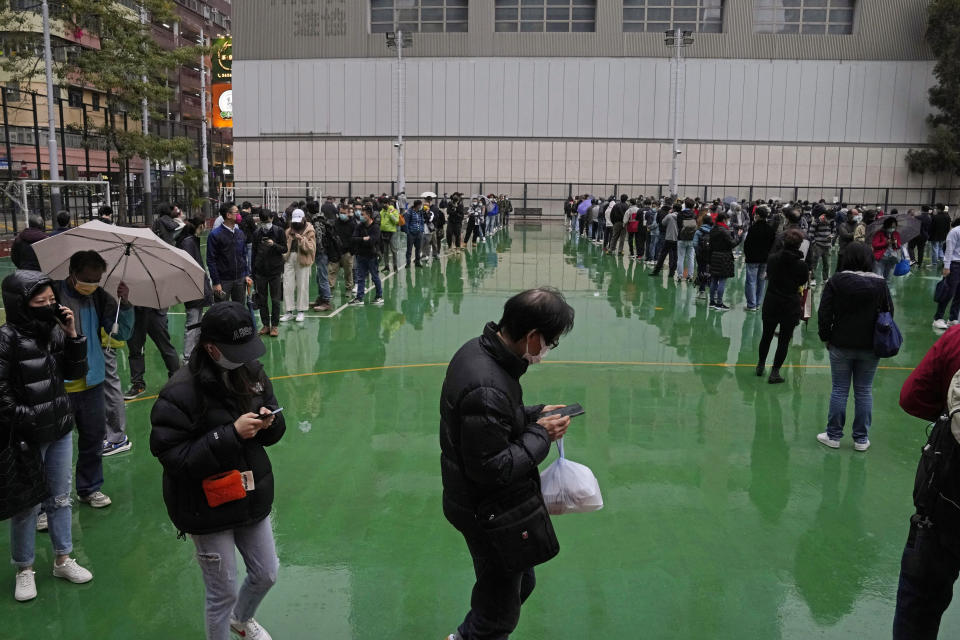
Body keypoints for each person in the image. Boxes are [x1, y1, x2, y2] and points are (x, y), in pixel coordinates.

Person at [440, 288, 575, 640]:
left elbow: (495, 422)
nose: (547, 351)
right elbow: (492, 468)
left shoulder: (481, 353)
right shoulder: (488, 384)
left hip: (479, 504)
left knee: (517, 584)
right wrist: (542, 435)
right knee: (498, 616)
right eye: (550, 342)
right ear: (532, 336)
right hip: (486, 511)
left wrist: (534, 414)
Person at [149, 302, 285, 640]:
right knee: (221, 592)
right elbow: (174, 459)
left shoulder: (251, 372)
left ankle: (242, 619)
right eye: (235, 351)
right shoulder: (179, 393)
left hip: (250, 491)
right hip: (205, 504)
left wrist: (270, 421)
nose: (244, 358)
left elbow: (275, 431)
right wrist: (230, 434)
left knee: (267, 572)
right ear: (211, 348)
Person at [2, 270, 90, 602]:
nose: (49, 307)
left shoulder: (52, 332)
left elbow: (75, 373)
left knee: (60, 497)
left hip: (60, 430)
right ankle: (24, 568)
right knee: (26, 504)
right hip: (26, 436)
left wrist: (72, 335)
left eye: (52, 301)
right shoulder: (7, 339)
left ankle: (63, 559)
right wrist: (31, 418)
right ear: (21, 305)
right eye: (41, 302)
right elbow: (1, 396)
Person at [892, 325, 960, 639]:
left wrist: (946, 413)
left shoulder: (957, 338)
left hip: (948, 498)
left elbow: (912, 397)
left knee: (919, 605)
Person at [53, 250, 134, 508]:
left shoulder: (99, 297)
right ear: (73, 273)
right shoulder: (52, 296)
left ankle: (89, 488)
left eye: (97, 279)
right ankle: (49, 501)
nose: (92, 284)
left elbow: (122, 334)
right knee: (54, 446)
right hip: (58, 383)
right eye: (87, 279)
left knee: (92, 438)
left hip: (92, 380)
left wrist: (126, 305)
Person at [817, 242, 892, 451]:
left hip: (841, 342)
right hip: (871, 345)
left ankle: (833, 435)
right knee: (864, 390)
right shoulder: (880, 284)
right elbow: (888, 313)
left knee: (839, 390)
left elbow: (824, 312)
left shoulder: (837, 281)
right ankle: (861, 439)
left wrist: (826, 337)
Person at [756, 229, 809, 383]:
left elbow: (770, 275)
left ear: (784, 242)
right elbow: (802, 282)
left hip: (772, 301)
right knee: (784, 340)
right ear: (799, 245)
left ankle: (760, 365)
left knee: (766, 336)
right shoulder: (801, 265)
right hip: (790, 303)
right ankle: (775, 372)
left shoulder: (772, 259)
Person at [176, 216, 214, 357]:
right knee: (192, 323)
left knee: (197, 323)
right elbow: (192, 268)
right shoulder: (188, 243)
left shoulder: (190, 241)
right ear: (201, 225)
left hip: (197, 287)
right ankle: (188, 356)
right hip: (193, 288)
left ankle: (194, 353)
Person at [251, 209, 287, 336]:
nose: (266, 223)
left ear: (272, 218)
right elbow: (253, 253)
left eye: (267, 221)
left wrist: (274, 245)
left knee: (276, 300)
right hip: (260, 271)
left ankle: (275, 326)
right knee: (262, 300)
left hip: (275, 272)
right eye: (263, 221)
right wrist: (252, 272)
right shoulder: (256, 233)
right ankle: (266, 325)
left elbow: (284, 249)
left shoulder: (279, 231)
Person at [207, 202, 252, 304]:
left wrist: (246, 275)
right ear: (228, 215)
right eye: (237, 212)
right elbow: (211, 260)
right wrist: (216, 282)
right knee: (222, 312)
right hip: (223, 281)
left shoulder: (239, 233)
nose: (239, 215)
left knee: (239, 310)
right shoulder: (215, 235)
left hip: (240, 280)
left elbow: (243, 255)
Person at [279, 209, 315, 323]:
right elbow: (284, 245)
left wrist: (301, 239)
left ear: (304, 219)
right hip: (289, 258)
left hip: (303, 259)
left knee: (302, 285)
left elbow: (311, 248)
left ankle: (301, 311)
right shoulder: (289, 230)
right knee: (287, 284)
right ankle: (288, 311)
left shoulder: (310, 230)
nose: (296, 223)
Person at [348, 205, 384, 306]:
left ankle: (379, 296)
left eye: (363, 214)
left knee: (375, 277)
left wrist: (362, 240)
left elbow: (373, 241)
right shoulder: (359, 226)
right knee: (360, 277)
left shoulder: (375, 227)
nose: (361, 216)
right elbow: (353, 239)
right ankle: (359, 298)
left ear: (368, 215)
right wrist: (364, 239)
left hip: (372, 256)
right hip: (360, 255)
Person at [743, 206, 776, 311]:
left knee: (751, 281)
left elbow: (747, 244)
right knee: (762, 281)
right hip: (765, 260)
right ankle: (757, 303)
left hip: (752, 259)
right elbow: (773, 245)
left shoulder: (753, 229)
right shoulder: (770, 229)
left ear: (757, 215)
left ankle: (751, 304)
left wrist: (747, 255)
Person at [708, 211, 740, 311]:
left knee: (714, 280)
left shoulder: (713, 229)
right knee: (722, 280)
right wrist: (738, 236)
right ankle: (719, 303)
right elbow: (733, 243)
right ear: (724, 219)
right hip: (724, 257)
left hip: (714, 256)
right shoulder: (724, 231)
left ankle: (712, 301)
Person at [807, 204, 834, 286]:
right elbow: (810, 234)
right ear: (824, 216)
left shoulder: (832, 222)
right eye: (828, 219)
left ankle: (825, 279)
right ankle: (812, 279)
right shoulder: (816, 221)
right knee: (814, 263)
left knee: (827, 264)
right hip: (818, 245)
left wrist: (832, 236)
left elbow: (835, 231)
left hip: (827, 246)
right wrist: (815, 244)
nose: (829, 220)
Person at [650, 204, 679, 277]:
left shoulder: (669, 216)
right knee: (675, 256)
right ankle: (672, 273)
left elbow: (663, 223)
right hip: (677, 238)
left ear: (673, 209)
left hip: (669, 237)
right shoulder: (681, 217)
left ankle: (656, 271)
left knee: (662, 255)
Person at [872, 216, 902, 283]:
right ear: (887, 225)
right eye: (891, 226)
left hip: (892, 258)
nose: (893, 228)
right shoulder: (879, 233)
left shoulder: (896, 234)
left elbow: (899, 246)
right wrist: (886, 242)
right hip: (880, 259)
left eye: (894, 227)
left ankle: (887, 292)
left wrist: (896, 244)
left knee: (888, 279)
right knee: (877, 277)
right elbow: (875, 245)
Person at [378, 197, 401, 273]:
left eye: (383, 203)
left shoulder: (394, 210)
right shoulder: (382, 211)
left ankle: (395, 267)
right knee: (385, 251)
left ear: (387, 203)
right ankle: (386, 266)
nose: (382, 205)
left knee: (393, 250)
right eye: (381, 203)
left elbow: (396, 221)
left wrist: (390, 214)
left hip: (392, 233)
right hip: (384, 232)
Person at [405, 200, 426, 268]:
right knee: (409, 249)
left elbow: (422, 221)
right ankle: (408, 263)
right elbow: (406, 222)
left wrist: (421, 230)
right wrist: (408, 232)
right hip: (411, 234)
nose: (421, 206)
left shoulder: (420, 212)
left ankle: (417, 262)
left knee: (418, 248)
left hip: (419, 233)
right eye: (420, 205)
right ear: (417, 205)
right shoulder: (409, 212)